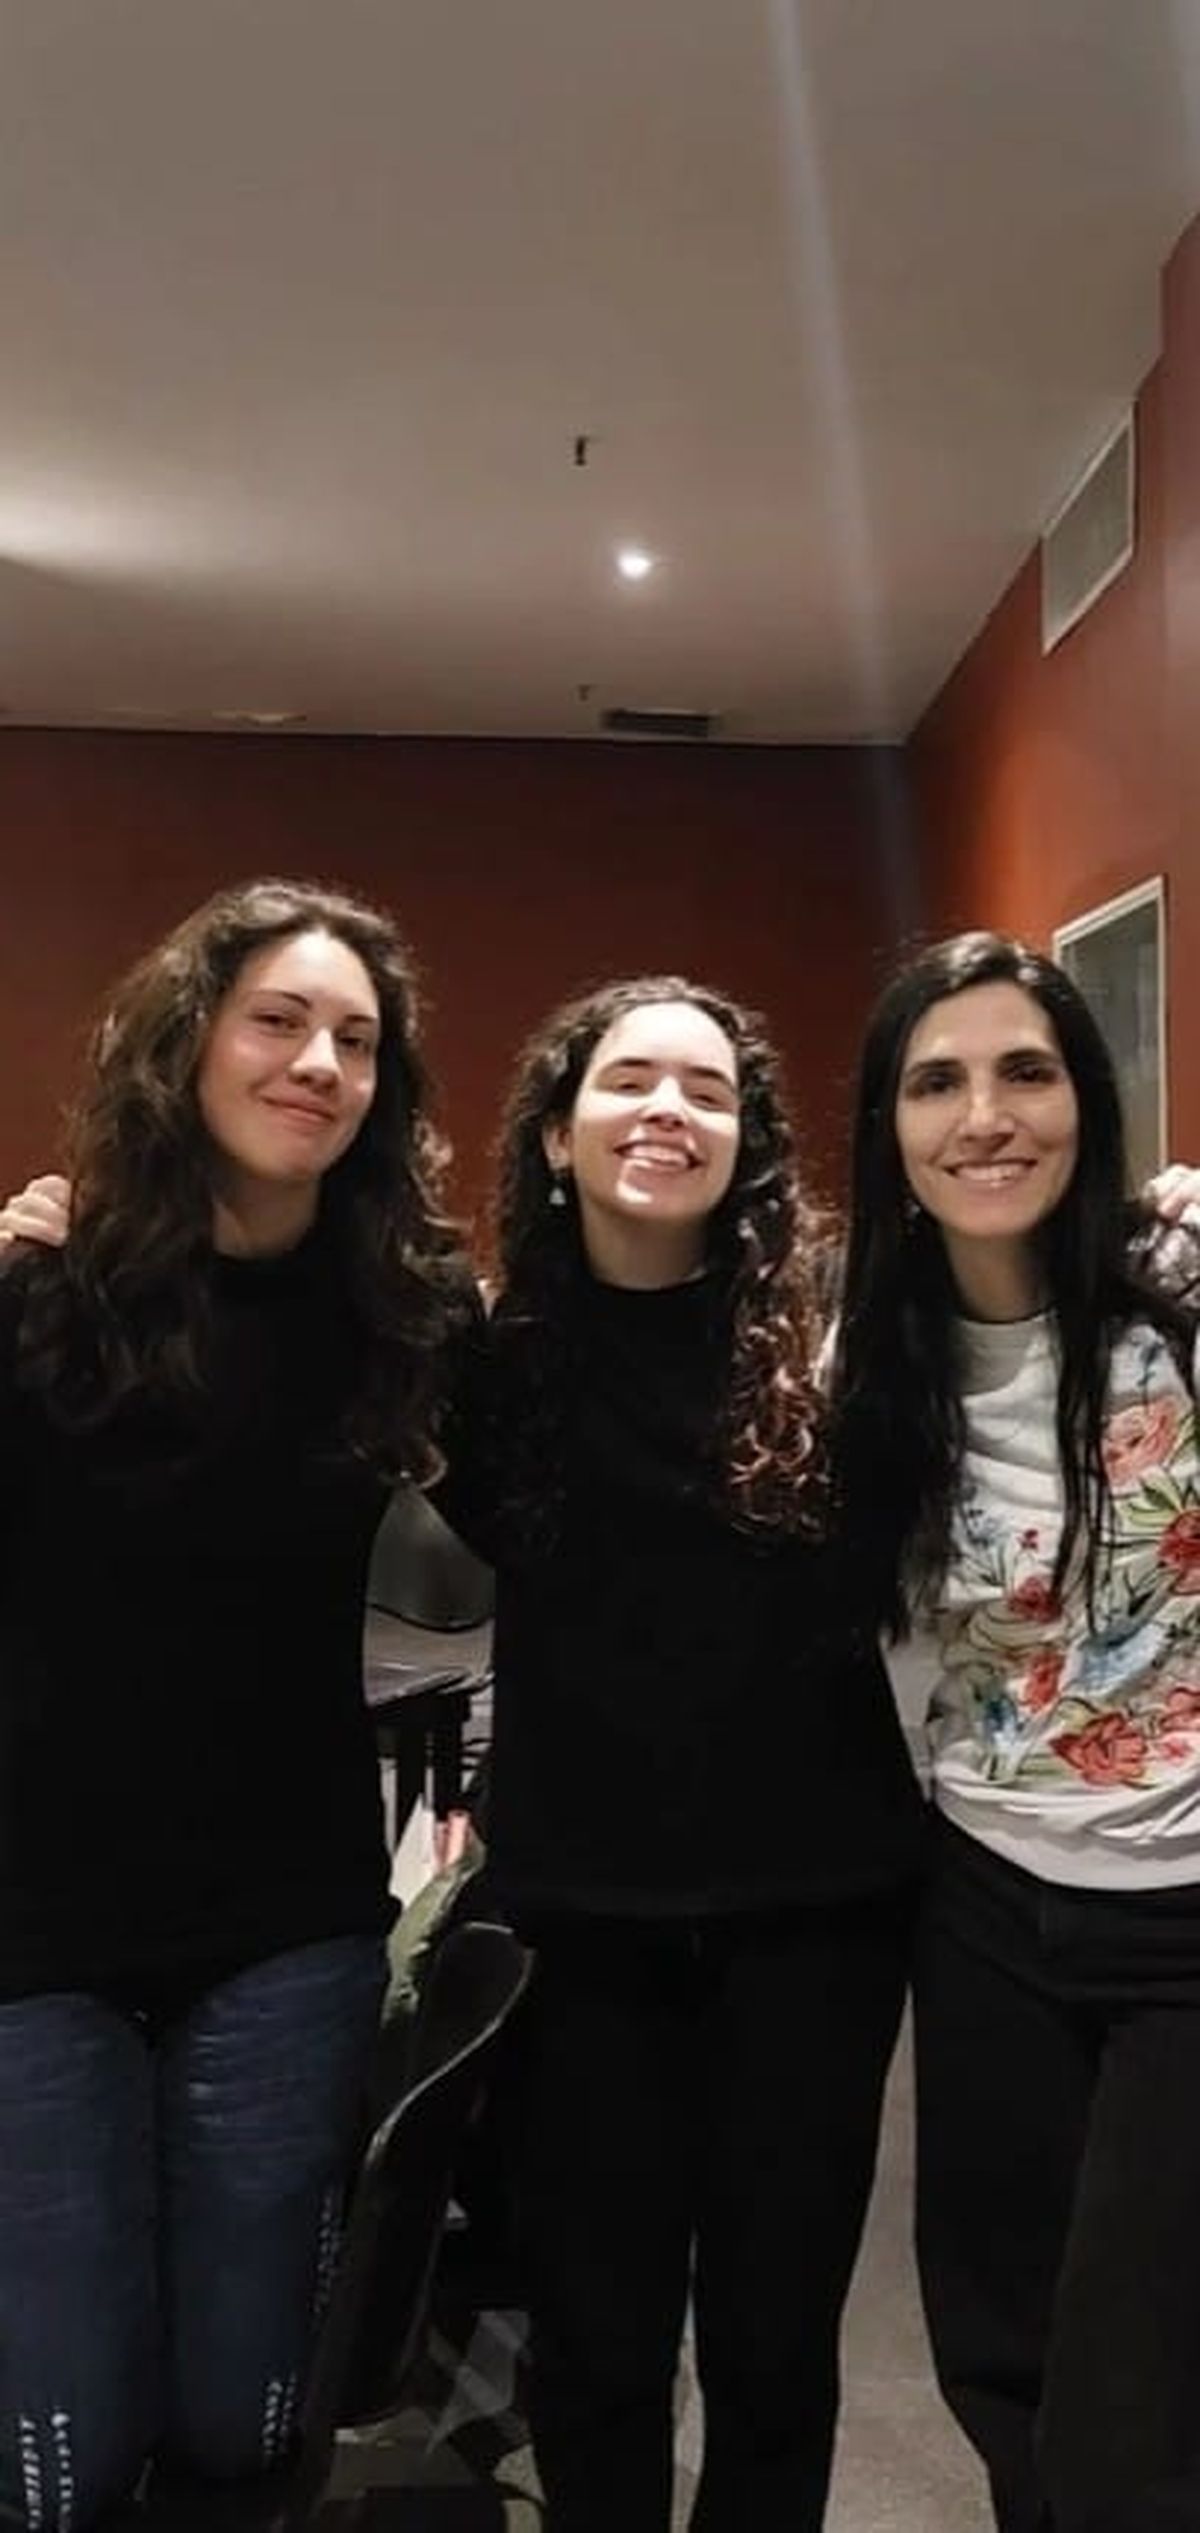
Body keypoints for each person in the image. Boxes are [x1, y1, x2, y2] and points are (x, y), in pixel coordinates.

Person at [0, 877, 467, 2531]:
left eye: (357, 1038)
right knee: (58, 2463)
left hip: (283, 1920)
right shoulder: (42, 1288)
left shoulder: (405, 1314)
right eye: (279, 1020)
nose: (319, 1062)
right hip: (34, 1922)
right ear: (187, 1039)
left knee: (247, 2419)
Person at [433, 975, 928, 2533]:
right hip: (581, 1923)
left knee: (776, 2346)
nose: (669, 1109)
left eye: (709, 1090)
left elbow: (1026, 1283)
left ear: (748, 1139)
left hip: (819, 1916)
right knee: (598, 2345)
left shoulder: (841, 1336)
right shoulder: (482, 1362)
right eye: (631, 1079)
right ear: (558, 1133)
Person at [831, 929, 1200, 2533]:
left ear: (1086, 1101)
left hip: (1184, 1913)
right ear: (892, 1131)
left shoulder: (1183, 1296)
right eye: (938, 1083)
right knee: (1003, 2355)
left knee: (1137, 2406)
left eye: (1026, 1072)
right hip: (983, 1897)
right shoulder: (870, 1362)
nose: (985, 1116)